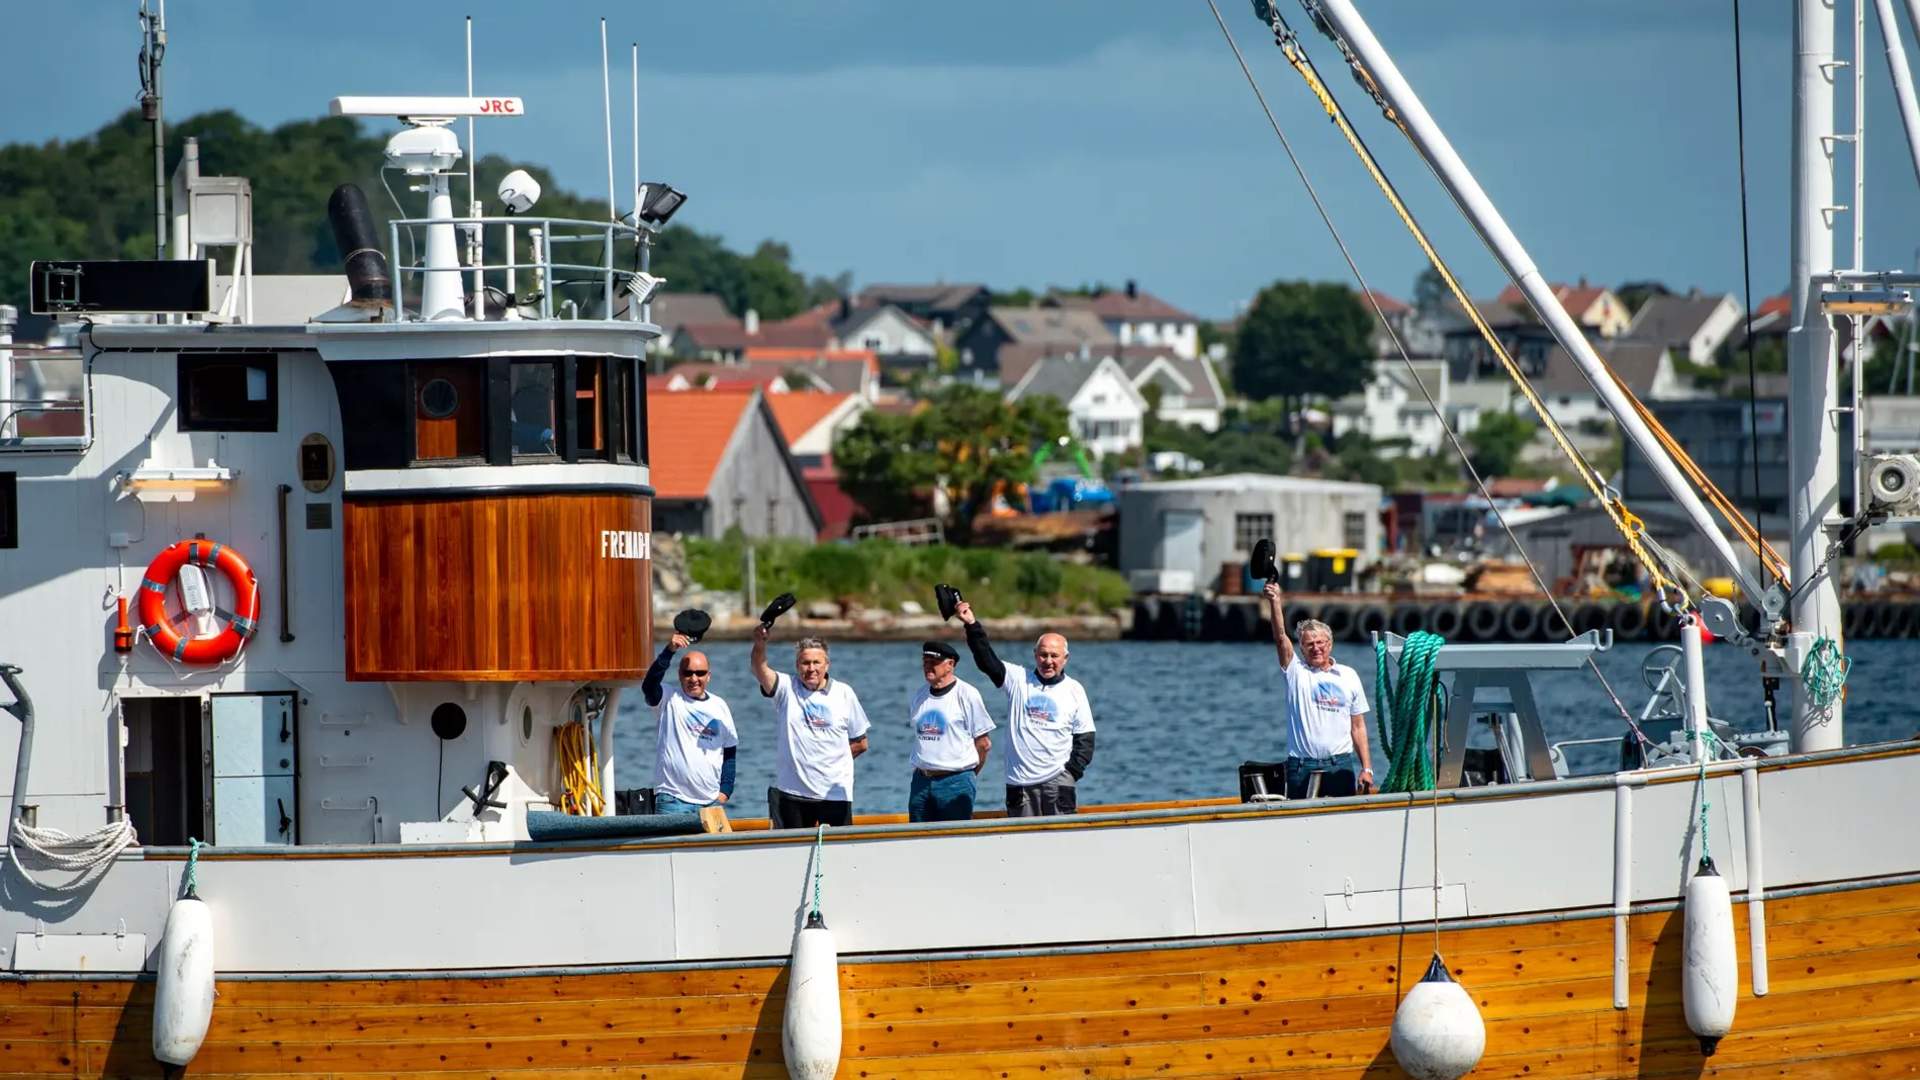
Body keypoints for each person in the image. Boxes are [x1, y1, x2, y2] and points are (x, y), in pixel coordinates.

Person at [954, 600, 1094, 816]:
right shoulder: (1018, 679)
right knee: (1021, 845)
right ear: (1035, 655)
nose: (1048, 661)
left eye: (1054, 656)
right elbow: (986, 660)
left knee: (1063, 842)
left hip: (1057, 782)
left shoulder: (1075, 690)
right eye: (1043, 655)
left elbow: (1085, 739)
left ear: (1065, 659)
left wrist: (1071, 773)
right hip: (1019, 784)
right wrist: (972, 624)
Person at [1263, 581, 1375, 798]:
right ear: (1302, 649)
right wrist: (1275, 601)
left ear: (1330, 644)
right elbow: (1280, 639)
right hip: (1301, 766)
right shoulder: (1296, 672)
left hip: (1340, 763)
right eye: (1309, 644)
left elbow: (1358, 727)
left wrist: (1367, 768)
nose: (1316, 648)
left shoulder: (1349, 675)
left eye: (1320, 642)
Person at [750, 627, 870, 828]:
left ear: (827, 664)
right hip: (793, 793)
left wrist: (830, 763)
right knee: (791, 852)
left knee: (839, 853)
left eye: (817, 662)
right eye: (805, 663)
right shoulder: (786, 688)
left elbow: (861, 743)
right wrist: (760, 644)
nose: (811, 668)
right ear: (797, 665)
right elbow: (758, 667)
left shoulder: (844, 693)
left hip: (834, 793)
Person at [641, 632, 737, 815]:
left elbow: (730, 752)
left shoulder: (720, 706)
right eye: (688, 673)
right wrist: (669, 651)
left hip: (711, 802)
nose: (694, 679)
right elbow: (649, 685)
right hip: (673, 801)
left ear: (708, 676)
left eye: (700, 673)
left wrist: (725, 791)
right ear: (680, 675)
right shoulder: (668, 698)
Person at [906, 640, 995, 822]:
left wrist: (966, 774)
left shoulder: (967, 694)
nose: (928, 667)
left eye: (934, 662)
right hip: (921, 781)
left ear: (950, 665)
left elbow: (983, 744)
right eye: (925, 662)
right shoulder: (920, 695)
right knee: (917, 841)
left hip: (955, 782)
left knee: (954, 841)